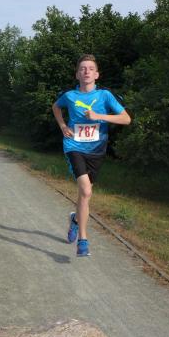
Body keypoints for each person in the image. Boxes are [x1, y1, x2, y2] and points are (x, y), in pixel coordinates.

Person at [51, 54, 131, 257]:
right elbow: (56, 107)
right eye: (82, 68)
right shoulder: (70, 96)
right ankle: (83, 241)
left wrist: (99, 116)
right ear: (77, 74)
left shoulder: (105, 96)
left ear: (97, 74)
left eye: (90, 68)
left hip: (96, 150)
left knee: (84, 195)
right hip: (74, 146)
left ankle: (75, 220)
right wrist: (62, 126)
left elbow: (126, 119)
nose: (86, 71)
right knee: (86, 191)